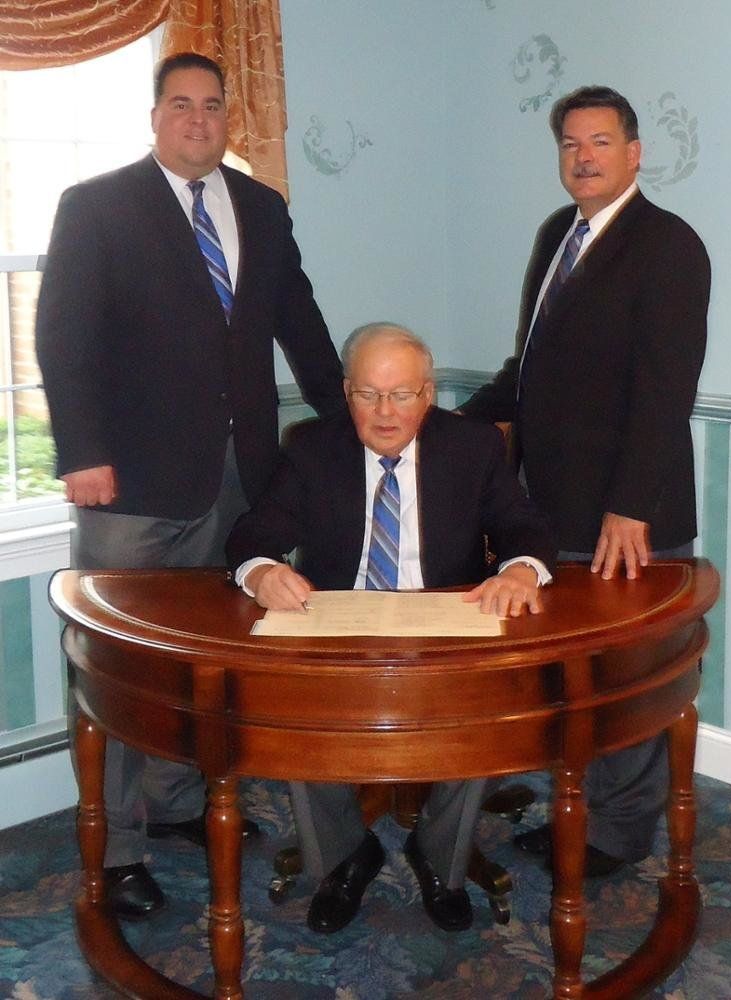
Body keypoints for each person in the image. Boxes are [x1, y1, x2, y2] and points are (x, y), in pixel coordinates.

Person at [35, 52, 346, 920]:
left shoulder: (262, 207)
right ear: (155, 115)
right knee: (123, 670)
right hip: (129, 486)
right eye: (181, 104)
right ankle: (118, 843)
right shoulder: (96, 206)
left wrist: (348, 420)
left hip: (241, 482)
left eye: (213, 106)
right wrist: (82, 452)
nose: (198, 120)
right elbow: (64, 337)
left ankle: (175, 808)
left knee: (210, 660)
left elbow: (302, 325)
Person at [226, 322, 556, 933]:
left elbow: (524, 525)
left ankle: (439, 858)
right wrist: (261, 571)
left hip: (441, 632)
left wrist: (521, 571)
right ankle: (346, 853)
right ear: (347, 393)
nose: (385, 412)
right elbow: (253, 534)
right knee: (297, 720)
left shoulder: (473, 446)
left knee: (478, 719)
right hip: (340, 632)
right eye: (368, 395)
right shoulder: (311, 447)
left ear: (428, 394)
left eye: (402, 394)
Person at [460, 85, 710, 876]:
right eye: (570, 144)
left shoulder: (668, 245)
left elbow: (666, 389)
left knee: (628, 678)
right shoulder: (556, 235)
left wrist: (629, 508)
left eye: (599, 142)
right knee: (575, 670)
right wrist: (452, 425)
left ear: (633, 153)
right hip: (553, 506)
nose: (582, 157)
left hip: (625, 515)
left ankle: (619, 831)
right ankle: (582, 803)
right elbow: (530, 365)